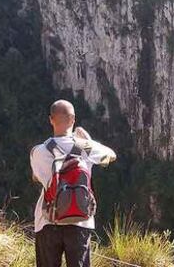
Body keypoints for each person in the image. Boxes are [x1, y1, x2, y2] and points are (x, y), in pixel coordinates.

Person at [30, 99, 117, 267]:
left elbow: (36, 177)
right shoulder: (87, 148)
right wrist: (89, 141)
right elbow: (111, 155)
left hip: (48, 221)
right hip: (80, 221)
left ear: (51, 120)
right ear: (73, 120)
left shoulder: (38, 152)